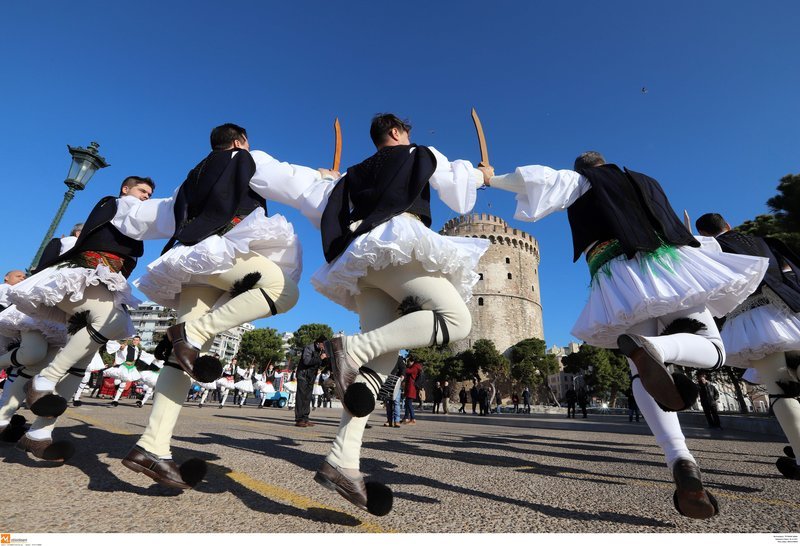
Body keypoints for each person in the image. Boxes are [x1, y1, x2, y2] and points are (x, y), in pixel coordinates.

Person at [486, 151, 769, 518]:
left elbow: (538, 180)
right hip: (669, 263)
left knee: (640, 374)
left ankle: (680, 458)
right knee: (713, 350)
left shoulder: (582, 181)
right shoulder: (646, 181)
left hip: (618, 275)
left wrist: (491, 178)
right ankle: (657, 350)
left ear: (581, 168)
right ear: (604, 162)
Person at [120, 123, 328, 489]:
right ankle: (191, 333)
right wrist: (324, 179)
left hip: (189, 257)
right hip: (220, 251)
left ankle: (152, 446)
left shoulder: (193, 175)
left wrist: (125, 208)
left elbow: (161, 216)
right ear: (239, 141)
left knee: (181, 357)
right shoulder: (247, 158)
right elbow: (292, 182)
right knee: (283, 291)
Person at [309, 113, 488, 514]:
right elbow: (459, 194)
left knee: (379, 365)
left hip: (360, 260)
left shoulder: (353, 173)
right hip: (397, 245)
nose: (410, 136)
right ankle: (352, 347)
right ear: (396, 132)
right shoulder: (419, 153)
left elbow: (325, 210)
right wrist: (481, 176)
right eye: (407, 131)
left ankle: (342, 460)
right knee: (456, 320)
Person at [9, 176, 157, 462]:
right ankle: (44, 379)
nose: (145, 197)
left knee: (82, 361)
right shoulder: (120, 204)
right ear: (126, 189)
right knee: (107, 321)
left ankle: (39, 433)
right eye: (142, 191)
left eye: (149, 195)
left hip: (104, 285)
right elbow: (158, 216)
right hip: (82, 277)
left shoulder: (134, 218)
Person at [696, 212, 800, 478]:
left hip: (754, 320)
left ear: (704, 233)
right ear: (728, 225)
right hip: (789, 311)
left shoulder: (710, 249)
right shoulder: (765, 241)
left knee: (780, 389)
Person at [295, 336, 329, 427]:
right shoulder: (309, 348)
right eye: (323, 344)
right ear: (318, 343)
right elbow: (306, 361)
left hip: (311, 377)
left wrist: (326, 359)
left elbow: (321, 363)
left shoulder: (320, 351)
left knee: (308, 398)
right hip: (303, 375)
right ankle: (299, 420)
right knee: (301, 398)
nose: (324, 347)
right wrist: (320, 358)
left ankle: (305, 419)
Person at [402, 357, 422, 424]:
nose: (408, 363)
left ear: (412, 361)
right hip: (410, 388)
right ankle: (406, 418)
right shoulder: (414, 367)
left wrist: (403, 365)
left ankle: (413, 418)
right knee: (407, 403)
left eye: (408, 362)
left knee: (409, 404)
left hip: (411, 388)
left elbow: (408, 371)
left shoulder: (415, 367)